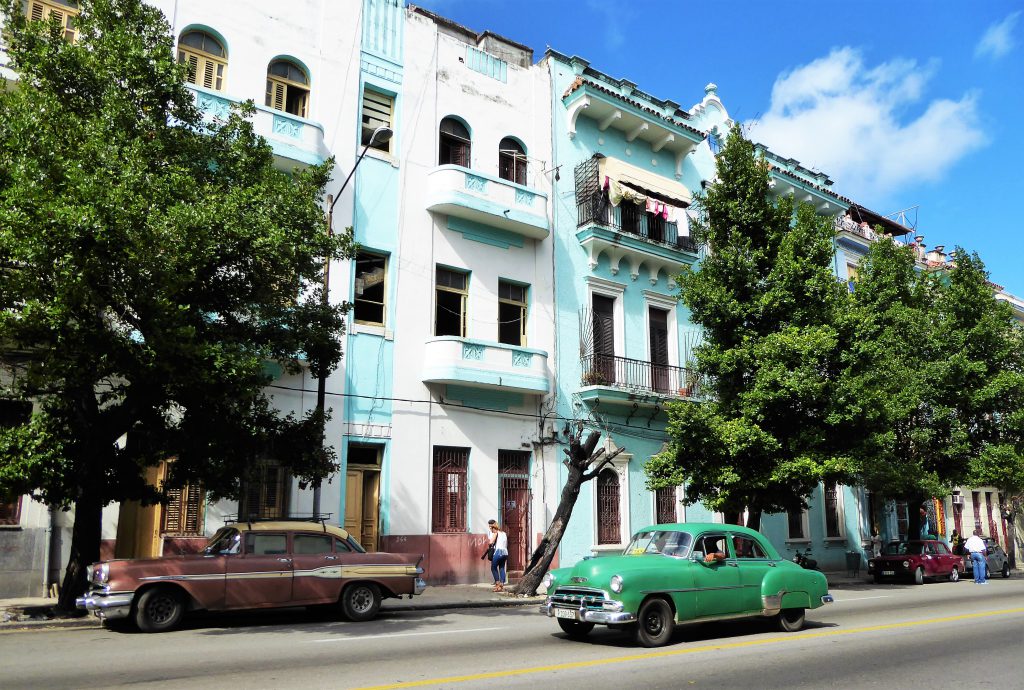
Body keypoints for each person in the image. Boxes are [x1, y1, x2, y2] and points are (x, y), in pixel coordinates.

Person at [487, 519, 509, 592]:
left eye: (491, 528)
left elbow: (491, 542)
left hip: (498, 552)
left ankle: (497, 584)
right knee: (502, 567)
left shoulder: (495, 533)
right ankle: (501, 585)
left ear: (493, 528)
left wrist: (491, 543)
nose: (490, 530)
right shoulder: (504, 533)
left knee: (493, 568)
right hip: (505, 553)